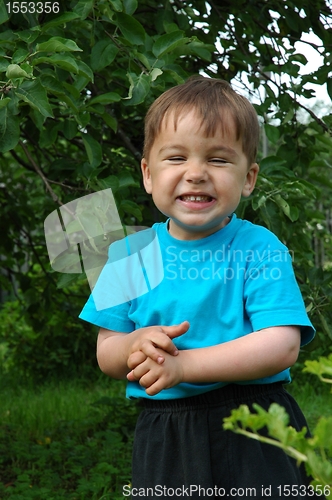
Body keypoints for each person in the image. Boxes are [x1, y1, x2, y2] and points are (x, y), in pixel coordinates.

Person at [79, 76, 318, 499]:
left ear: (249, 178)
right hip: (166, 431)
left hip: (255, 423)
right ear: (149, 174)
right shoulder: (130, 254)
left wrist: (184, 367)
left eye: (219, 160)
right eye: (176, 158)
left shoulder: (258, 247)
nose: (196, 174)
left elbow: (281, 344)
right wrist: (136, 342)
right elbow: (108, 352)